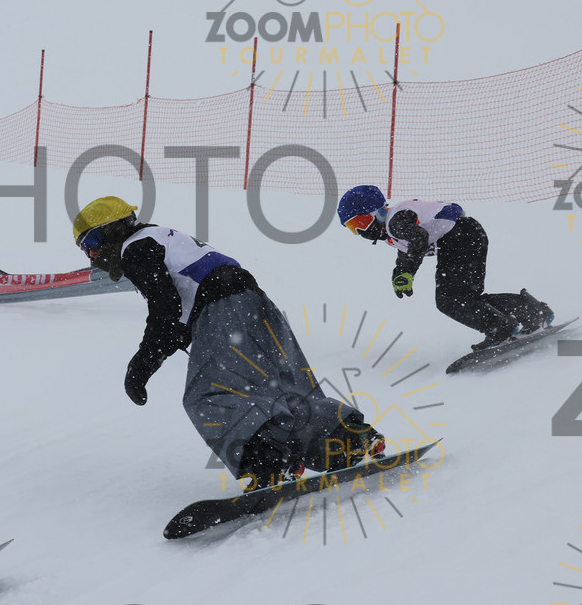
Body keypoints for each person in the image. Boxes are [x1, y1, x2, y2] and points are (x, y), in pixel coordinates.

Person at [74, 196, 385, 488]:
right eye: (84, 248)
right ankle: (346, 440)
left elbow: (164, 308)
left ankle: (270, 462)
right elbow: (178, 310)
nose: (92, 255)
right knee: (281, 387)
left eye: (93, 242)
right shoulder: (161, 237)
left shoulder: (135, 247)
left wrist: (141, 365)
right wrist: (171, 340)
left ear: (115, 229)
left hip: (223, 309)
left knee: (210, 397)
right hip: (254, 303)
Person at [335, 185, 553, 350]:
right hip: (467, 235)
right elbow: (407, 250)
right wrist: (401, 273)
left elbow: (419, 238)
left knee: (450, 300)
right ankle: (530, 313)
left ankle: (502, 327)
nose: (360, 232)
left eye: (361, 223)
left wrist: (408, 270)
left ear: (377, 213)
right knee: (465, 298)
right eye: (353, 228)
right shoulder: (395, 228)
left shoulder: (395, 222)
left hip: (460, 239)